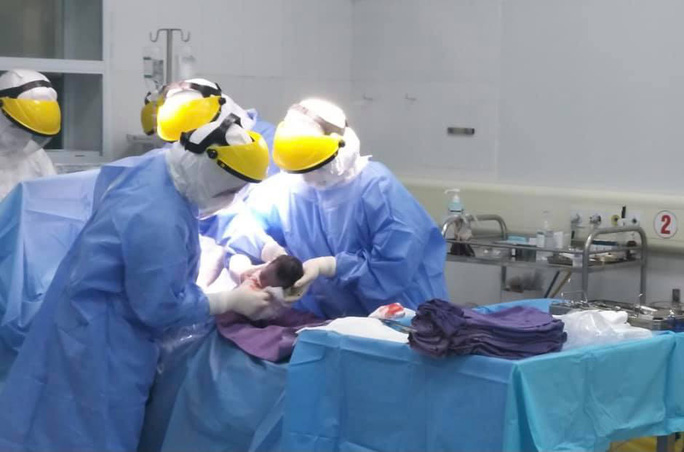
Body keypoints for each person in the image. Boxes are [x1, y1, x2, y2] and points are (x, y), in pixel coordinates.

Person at [0, 102, 274, 451]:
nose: (230, 200)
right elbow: (158, 308)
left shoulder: (160, 166)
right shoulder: (158, 220)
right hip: (105, 346)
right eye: (229, 192)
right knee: (90, 435)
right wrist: (229, 300)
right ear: (211, 174)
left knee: (47, 425)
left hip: (78, 319)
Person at [224, 98, 449, 319]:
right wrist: (259, 257)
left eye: (313, 165)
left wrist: (329, 266)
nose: (307, 176)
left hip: (400, 319)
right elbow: (243, 231)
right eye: (299, 168)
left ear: (341, 149)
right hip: (327, 321)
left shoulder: (378, 189)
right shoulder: (289, 186)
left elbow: (392, 271)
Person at [0, 69, 61, 199]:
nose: (24, 138)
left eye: (30, 131)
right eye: (15, 127)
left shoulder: (35, 156)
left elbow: (54, 197)